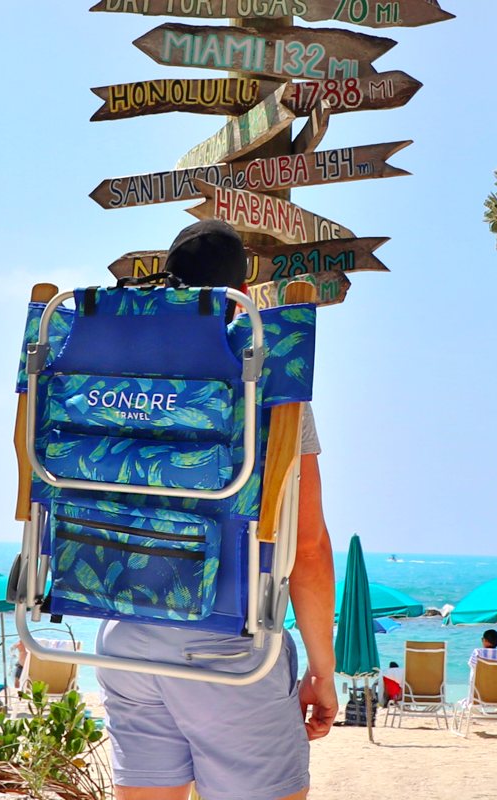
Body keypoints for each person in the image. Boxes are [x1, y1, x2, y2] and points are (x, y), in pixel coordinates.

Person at [95, 220, 338, 800]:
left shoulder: (104, 374)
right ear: (242, 293)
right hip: (224, 642)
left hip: (122, 632)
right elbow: (306, 550)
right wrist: (322, 674)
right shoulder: (266, 384)